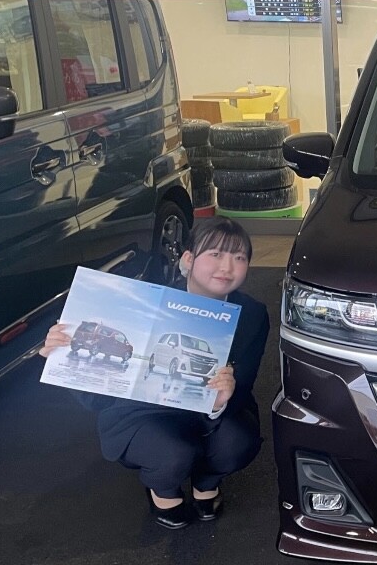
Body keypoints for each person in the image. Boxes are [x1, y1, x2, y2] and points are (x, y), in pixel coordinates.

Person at [40, 217, 270, 529]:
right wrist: (61, 356)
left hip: (210, 411)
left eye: (239, 257)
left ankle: (207, 482)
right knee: (173, 453)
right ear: (188, 259)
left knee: (236, 442)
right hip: (144, 413)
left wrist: (221, 400)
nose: (227, 267)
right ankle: (163, 489)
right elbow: (95, 398)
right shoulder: (146, 300)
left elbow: (246, 382)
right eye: (215, 254)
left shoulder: (253, 313)